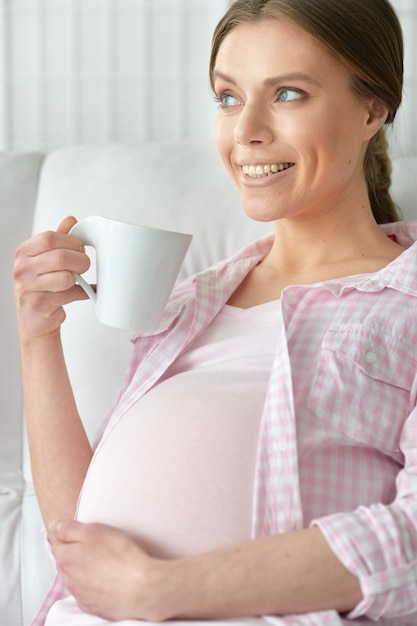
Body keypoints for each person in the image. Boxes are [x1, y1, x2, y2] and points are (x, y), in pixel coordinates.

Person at [13, 0, 417, 624]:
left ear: (372, 108)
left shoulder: (406, 298)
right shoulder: (190, 302)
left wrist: (164, 591)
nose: (246, 130)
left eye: (287, 93)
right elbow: (78, 538)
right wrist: (39, 337)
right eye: (228, 98)